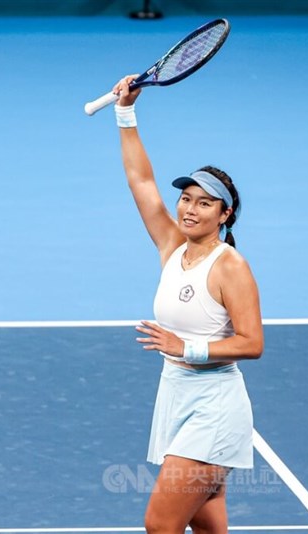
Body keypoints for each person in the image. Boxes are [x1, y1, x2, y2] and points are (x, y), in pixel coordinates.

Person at [112, 75, 264, 533]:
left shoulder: (231, 266)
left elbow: (252, 343)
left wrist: (188, 348)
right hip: (175, 396)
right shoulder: (171, 246)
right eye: (185, 199)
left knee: (160, 524)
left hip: (214, 407)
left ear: (225, 214)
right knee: (209, 527)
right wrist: (126, 112)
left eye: (204, 203)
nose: (189, 210)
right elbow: (140, 179)